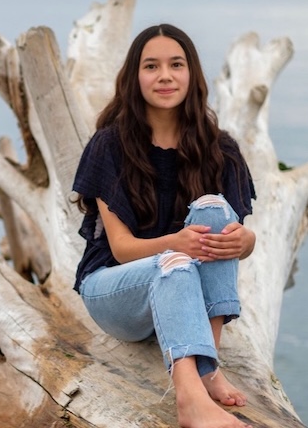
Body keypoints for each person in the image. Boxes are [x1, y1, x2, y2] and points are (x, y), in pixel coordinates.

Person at [72, 24, 256, 428]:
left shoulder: (219, 148)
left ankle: (208, 364)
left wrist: (246, 240)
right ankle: (190, 401)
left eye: (176, 64)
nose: (165, 76)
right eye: (151, 66)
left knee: (214, 212)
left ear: (192, 74)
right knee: (174, 263)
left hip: (179, 285)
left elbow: (233, 240)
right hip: (114, 290)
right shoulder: (109, 145)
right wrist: (176, 245)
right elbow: (120, 249)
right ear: (134, 78)